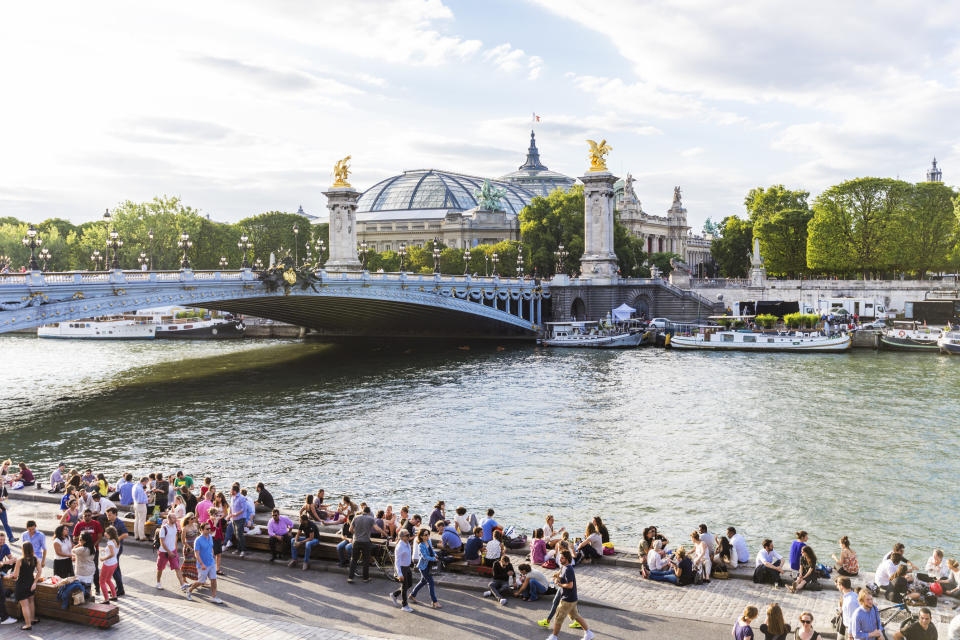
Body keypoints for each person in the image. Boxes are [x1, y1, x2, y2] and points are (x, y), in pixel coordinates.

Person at [545, 550, 594, 640]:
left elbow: (570, 585)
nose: (560, 559)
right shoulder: (564, 566)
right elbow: (560, 575)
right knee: (576, 616)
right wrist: (556, 577)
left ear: (567, 559)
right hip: (572, 598)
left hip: (567, 599)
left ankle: (554, 637)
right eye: (560, 557)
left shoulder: (568, 569)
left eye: (562, 558)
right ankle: (588, 633)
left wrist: (559, 585)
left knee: (558, 617)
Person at [186, 521, 223, 604]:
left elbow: (211, 547)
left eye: (210, 528)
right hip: (203, 565)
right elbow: (196, 554)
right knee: (201, 582)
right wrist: (202, 564)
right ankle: (190, 590)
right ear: (201, 530)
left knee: (213, 580)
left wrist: (213, 555)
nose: (209, 530)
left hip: (211, 563)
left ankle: (214, 597)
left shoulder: (210, 537)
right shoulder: (198, 540)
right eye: (207, 529)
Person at [348, 505, 383, 583]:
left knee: (354, 559)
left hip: (356, 541)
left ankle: (350, 577)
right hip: (366, 542)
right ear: (369, 512)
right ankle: (365, 578)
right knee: (366, 560)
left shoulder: (356, 517)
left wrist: (356, 534)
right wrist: (385, 533)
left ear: (363, 511)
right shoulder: (371, 518)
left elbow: (350, 529)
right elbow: (377, 528)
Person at [156, 511, 187, 592]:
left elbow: (176, 536)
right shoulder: (164, 528)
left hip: (173, 551)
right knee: (160, 568)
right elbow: (162, 542)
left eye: (176, 518)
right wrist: (169, 552)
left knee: (177, 567)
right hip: (164, 552)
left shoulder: (175, 526)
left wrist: (175, 548)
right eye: (174, 518)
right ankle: (158, 582)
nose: (176, 519)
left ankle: (182, 585)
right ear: (169, 519)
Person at [73, 509, 102, 594]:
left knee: (95, 568)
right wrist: (82, 539)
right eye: (85, 515)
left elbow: (100, 537)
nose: (87, 517)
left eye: (89, 515)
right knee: (82, 567)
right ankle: (84, 589)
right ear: (83, 516)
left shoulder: (96, 524)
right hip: (83, 550)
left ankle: (97, 588)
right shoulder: (79, 525)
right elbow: (74, 538)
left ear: (92, 515)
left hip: (93, 549)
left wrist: (92, 546)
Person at [410, 528, 441, 608]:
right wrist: (433, 559)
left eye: (428, 534)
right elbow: (424, 556)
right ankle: (434, 601)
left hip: (429, 565)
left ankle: (412, 595)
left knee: (423, 581)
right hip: (423, 566)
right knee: (430, 582)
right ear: (421, 536)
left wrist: (435, 554)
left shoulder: (429, 541)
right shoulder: (421, 545)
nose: (428, 536)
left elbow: (431, 550)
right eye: (426, 535)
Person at [13, 540, 41, 630]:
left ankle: (28, 624)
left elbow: (15, 575)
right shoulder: (35, 559)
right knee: (31, 602)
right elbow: (39, 571)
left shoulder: (20, 560)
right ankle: (32, 619)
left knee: (24, 605)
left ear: (23, 549)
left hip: (21, 585)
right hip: (31, 583)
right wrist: (35, 582)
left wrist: (12, 575)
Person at [104, 507, 129, 596]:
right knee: (116, 568)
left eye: (110, 515)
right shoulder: (112, 522)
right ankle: (118, 587)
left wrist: (116, 539)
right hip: (114, 548)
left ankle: (120, 589)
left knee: (114, 569)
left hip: (117, 548)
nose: (108, 516)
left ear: (115, 514)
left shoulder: (119, 523)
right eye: (107, 515)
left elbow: (126, 534)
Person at [391, 529, 414, 612]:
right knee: (404, 587)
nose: (409, 536)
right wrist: (400, 574)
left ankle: (394, 594)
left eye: (409, 534)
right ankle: (404, 606)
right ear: (401, 537)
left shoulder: (407, 543)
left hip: (407, 567)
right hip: (402, 568)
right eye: (407, 535)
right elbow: (397, 562)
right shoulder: (400, 547)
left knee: (409, 584)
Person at [72, 530, 96, 600]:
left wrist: (78, 544)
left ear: (85, 541)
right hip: (90, 570)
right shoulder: (93, 547)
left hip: (82, 571)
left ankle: (82, 601)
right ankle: (90, 599)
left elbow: (73, 550)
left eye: (80, 539)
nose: (79, 541)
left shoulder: (82, 549)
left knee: (80, 589)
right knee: (88, 587)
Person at [99, 526, 120, 603]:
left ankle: (106, 599)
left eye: (106, 532)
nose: (104, 534)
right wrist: (105, 550)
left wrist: (103, 559)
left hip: (108, 564)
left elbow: (112, 554)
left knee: (102, 581)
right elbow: (114, 551)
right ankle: (114, 596)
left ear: (110, 534)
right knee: (108, 579)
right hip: (114, 563)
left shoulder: (110, 542)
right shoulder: (116, 541)